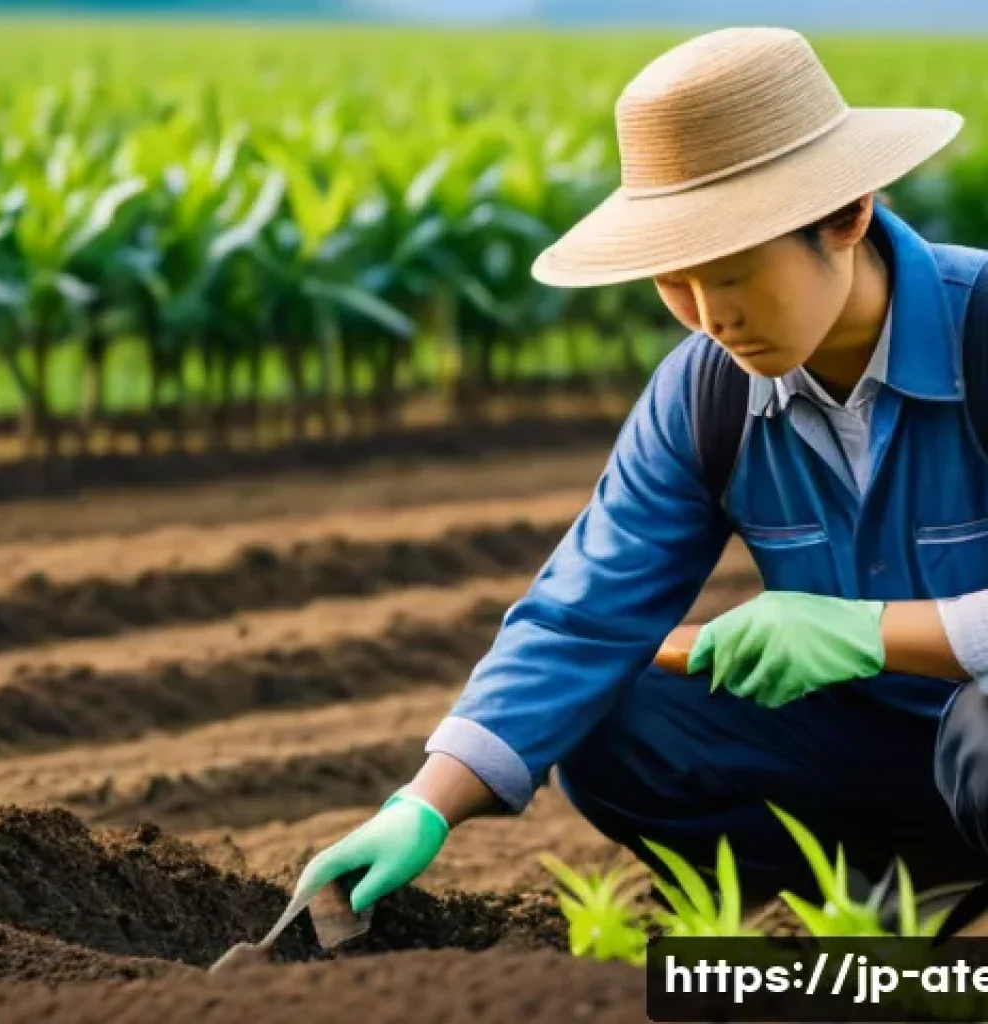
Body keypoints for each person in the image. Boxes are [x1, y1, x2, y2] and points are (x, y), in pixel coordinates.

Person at [295, 26, 988, 917]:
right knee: (620, 718)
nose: (711, 319)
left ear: (847, 216)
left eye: (735, 275)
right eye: (676, 284)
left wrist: (875, 632)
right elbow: (582, 614)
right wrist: (423, 804)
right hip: (872, 758)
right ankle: (846, 937)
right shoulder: (706, 395)